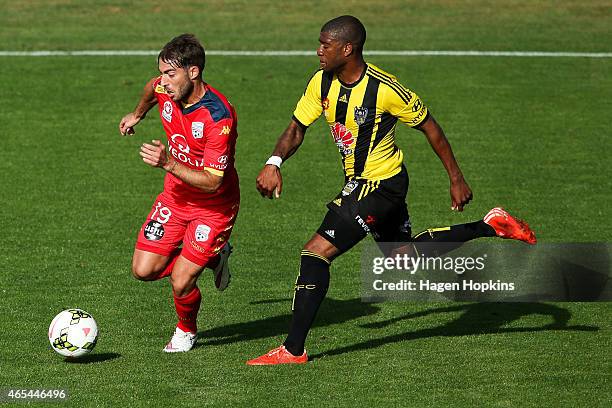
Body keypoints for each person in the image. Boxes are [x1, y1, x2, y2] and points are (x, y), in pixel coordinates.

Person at [248, 16, 535, 365]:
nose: (318, 50)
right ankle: (490, 225)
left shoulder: (385, 89)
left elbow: (430, 127)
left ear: (347, 48)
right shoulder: (321, 83)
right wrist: (274, 162)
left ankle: (293, 350)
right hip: (364, 183)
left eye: (325, 44)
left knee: (315, 253)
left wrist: (455, 178)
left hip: (381, 184)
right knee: (402, 257)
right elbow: (296, 128)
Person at [119, 34, 240, 352]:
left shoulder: (218, 117)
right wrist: (138, 114)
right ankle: (212, 258)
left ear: (194, 71)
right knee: (143, 270)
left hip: (213, 208)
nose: (163, 81)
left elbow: (213, 182)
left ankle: (186, 330)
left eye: (170, 74)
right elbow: (150, 89)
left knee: (181, 280)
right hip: (175, 198)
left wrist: (167, 163)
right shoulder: (164, 88)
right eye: (162, 73)